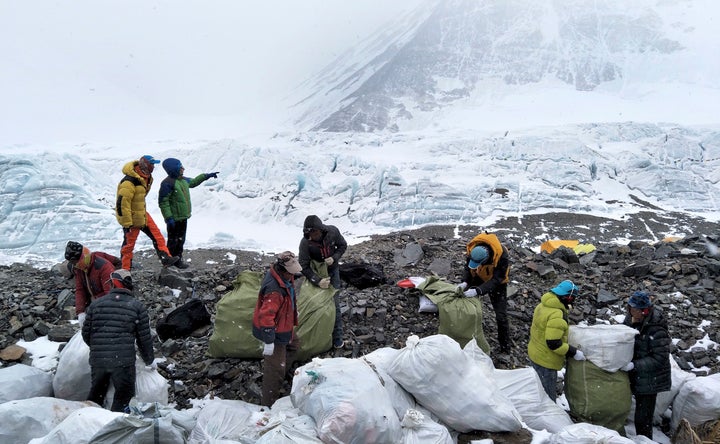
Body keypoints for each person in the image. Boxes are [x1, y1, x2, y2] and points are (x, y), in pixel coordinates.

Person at [81, 269, 155, 412]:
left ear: (113, 284)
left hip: (98, 361)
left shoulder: (96, 305)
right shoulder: (137, 306)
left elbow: (86, 334)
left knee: (96, 397)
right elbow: (144, 339)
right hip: (123, 363)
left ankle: (90, 424)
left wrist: (99, 347)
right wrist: (149, 360)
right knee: (123, 399)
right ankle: (116, 428)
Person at [252, 251, 303, 407]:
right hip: (275, 332)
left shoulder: (285, 278)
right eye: (290, 273)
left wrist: (292, 311)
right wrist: (269, 341)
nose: (292, 276)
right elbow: (266, 316)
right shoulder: (274, 290)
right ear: (282, 270)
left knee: (294, 345)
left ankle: (283, 368)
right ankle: (268, 405)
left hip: (284, 325)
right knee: (274, 372)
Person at [620, 291, 671, 440]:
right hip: (637, 374)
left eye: (634, 310)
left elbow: (660, 358)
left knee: (643, 419)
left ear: (644, 310)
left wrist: (634, 365)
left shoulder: (656, 329)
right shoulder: (632, 318)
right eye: (630, 309)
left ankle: (645, 440)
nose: (631, 312)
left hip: (651, 379)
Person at [115, 155, 179, 270]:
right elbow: (121, 204)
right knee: (128, 245)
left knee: (157, 236)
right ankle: (124, 270)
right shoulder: (129, 182)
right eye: (152, 164)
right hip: (132, 218)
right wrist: (127, 223)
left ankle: (166, 259)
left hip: (142, 213)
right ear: (145, 165)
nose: (153, 167)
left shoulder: (146, 177)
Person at [527, 279, 586, 401]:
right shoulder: (556, 314)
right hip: (546, 361)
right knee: (547, 397)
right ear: (567, 298)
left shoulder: (542, 305)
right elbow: (554, 344)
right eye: (572, 299)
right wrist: (573, 352)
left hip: (535, 353)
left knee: (537, 389)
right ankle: (548, 417)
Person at [158, 157, 219, 269]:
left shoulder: (183, 180)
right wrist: (168, 217)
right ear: (173, 169)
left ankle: (178, 259)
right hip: (174, 218)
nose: (183, 168)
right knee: (173, 241)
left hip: (183, 217)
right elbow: (163, 202)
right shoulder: (167, 183)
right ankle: (169, 261)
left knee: (181, 240)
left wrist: (206, 176)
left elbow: (194, 182)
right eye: (180, 167)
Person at [298, 214, 348, 349]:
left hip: (333, 270)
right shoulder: (305, 242)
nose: (312, 236)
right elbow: (303, 265)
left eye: (314, 233)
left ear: (320, 230)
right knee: (315, 302)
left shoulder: (332, 232)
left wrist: (335, 257)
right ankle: (317, 336)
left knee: (334, 303)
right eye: (309, 233)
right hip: (316, 272)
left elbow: (342, 245)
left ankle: (337, 338)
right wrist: (317, 281)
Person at [459, 232, 512, 353]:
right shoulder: (473, 249)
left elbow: (497, 279)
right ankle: (465, 335)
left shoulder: (502, 255)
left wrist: (478, 290)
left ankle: (505, 347)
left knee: (501, 316)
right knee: (464, 301)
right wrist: (465, 282)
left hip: (498, 284)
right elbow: (468, 267)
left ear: (486, 259)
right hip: (480, 275)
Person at [62, 241, 121, 326]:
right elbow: (80, 290)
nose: (74, 265)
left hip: (108, 305)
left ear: (81, 257)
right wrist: (80, 312)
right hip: (94, 303)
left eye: (75, 262)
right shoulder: (79, 268)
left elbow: (110, 295)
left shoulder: (103, 267)